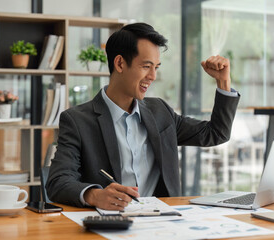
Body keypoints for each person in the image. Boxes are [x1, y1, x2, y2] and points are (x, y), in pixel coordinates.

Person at [46, 22, 240, 210]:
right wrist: (95, 195)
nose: (153, 76)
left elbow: (216, 133)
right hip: (112, 223)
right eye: (146, 66)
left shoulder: (160, 112)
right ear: (120, 63)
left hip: (162, 222)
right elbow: (58, 181)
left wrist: (223, 83)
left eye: (156, 67)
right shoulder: (77, 120)